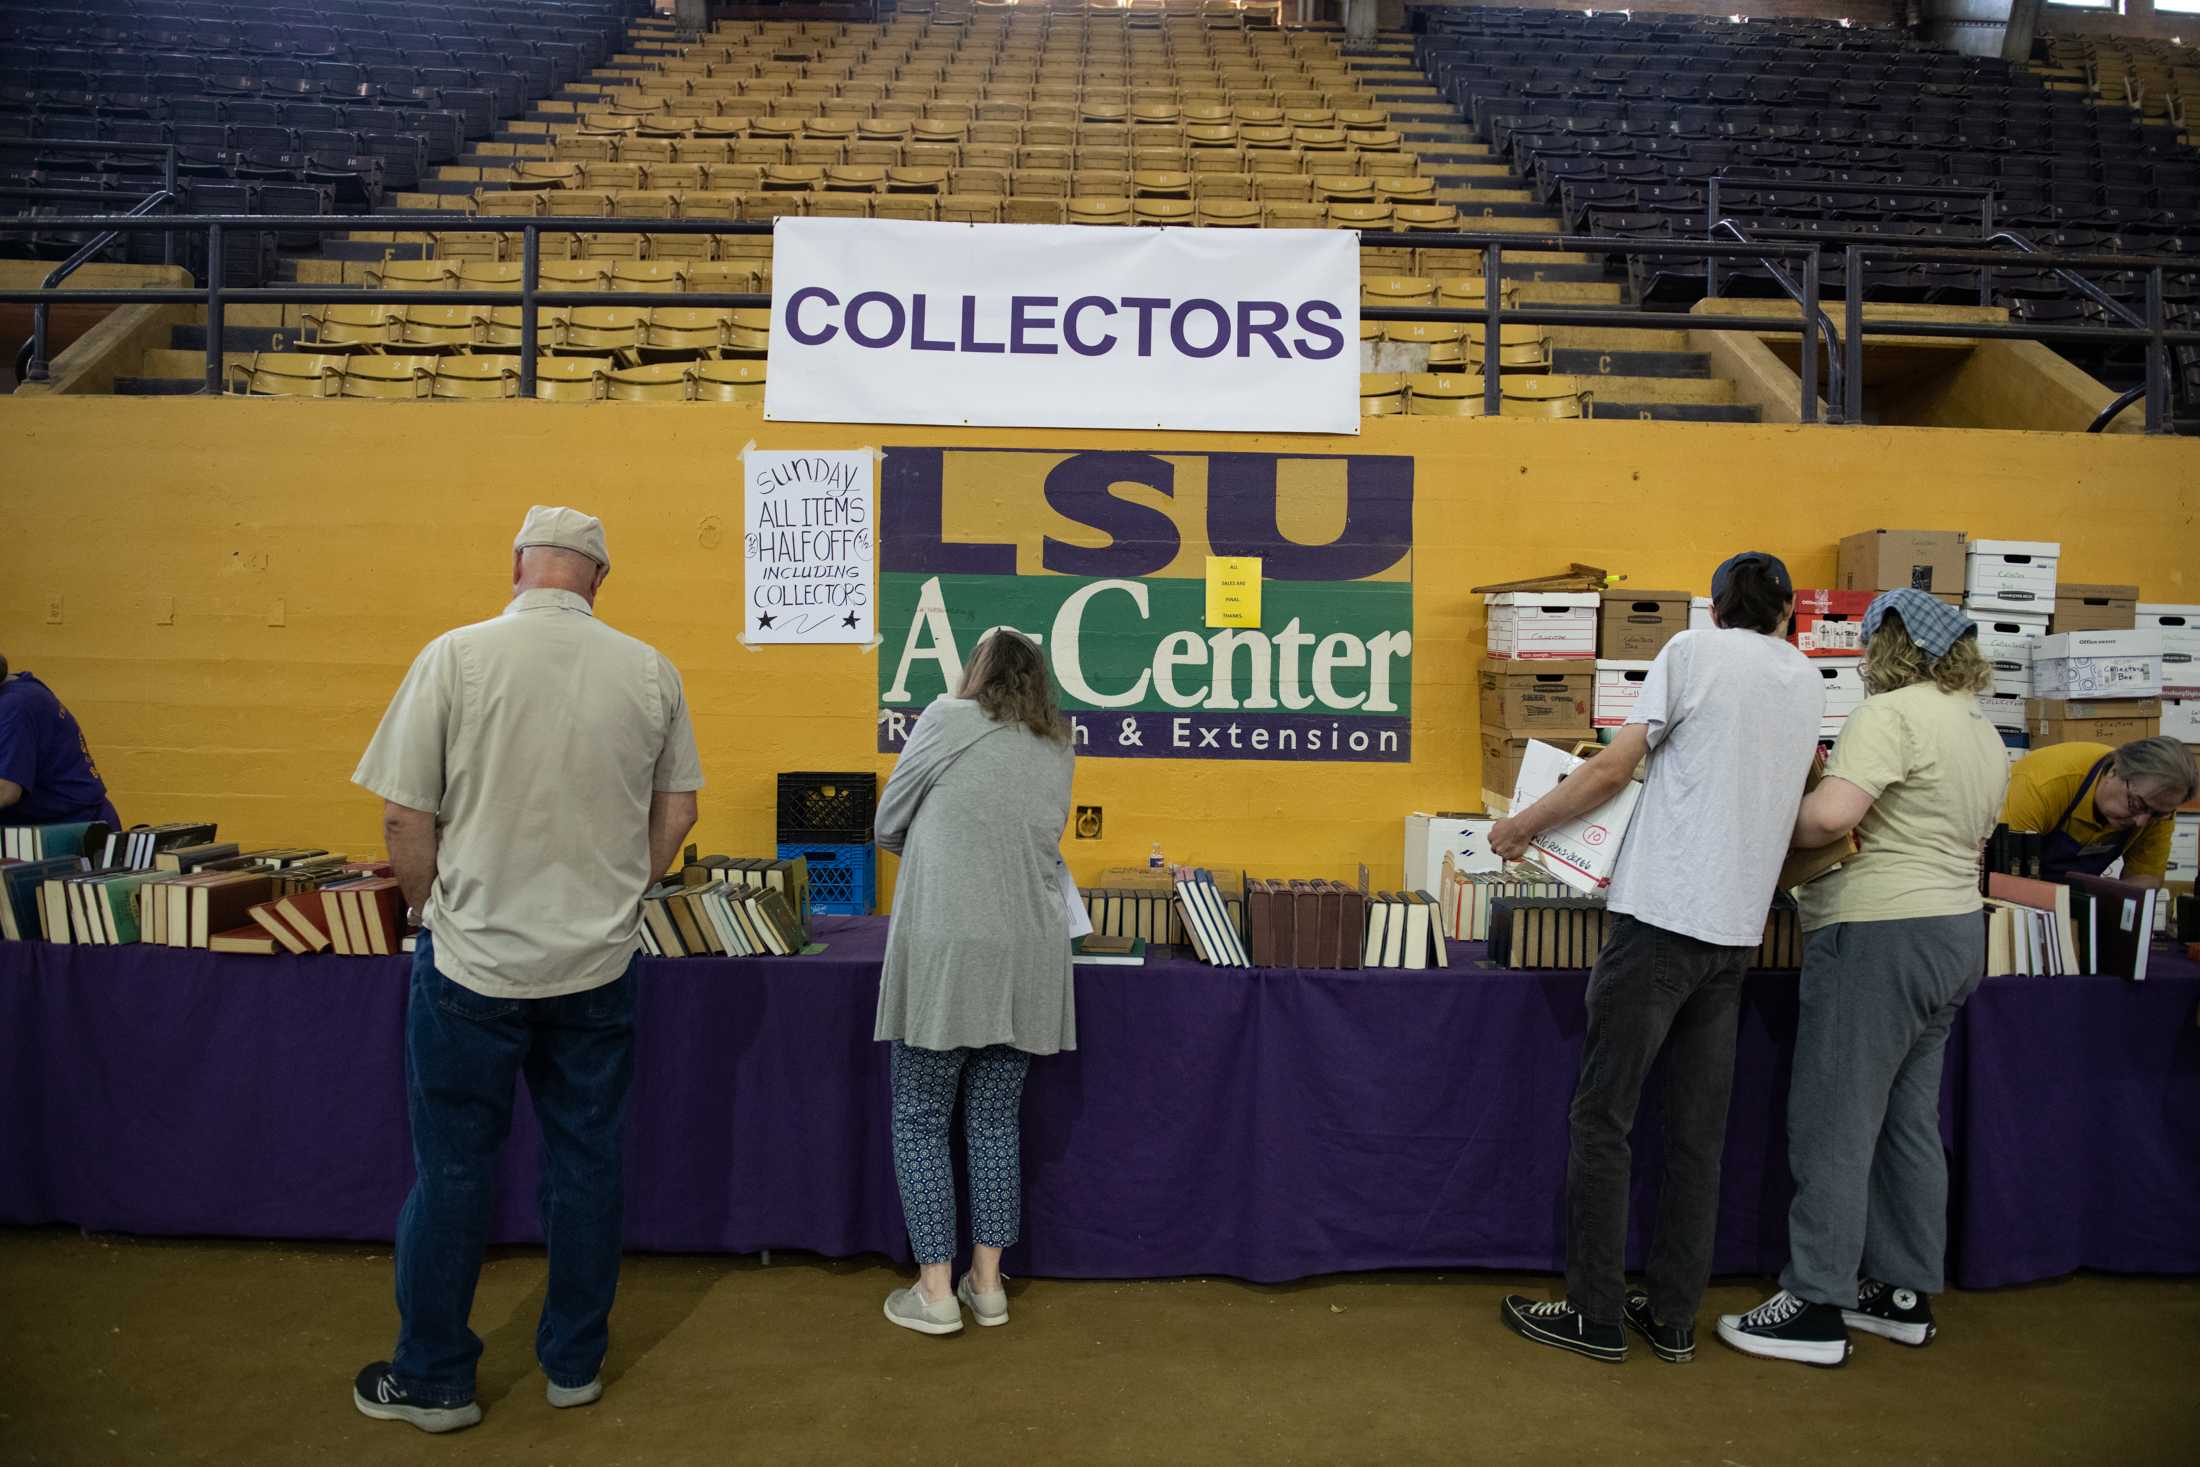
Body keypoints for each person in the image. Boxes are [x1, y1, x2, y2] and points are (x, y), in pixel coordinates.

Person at [348, 506, 702, 1433]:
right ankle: (574, 1363)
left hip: (474, 961)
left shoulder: (454, 657)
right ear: (597, 581)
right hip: (595, 962)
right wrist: (627, 889)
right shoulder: (650, 670)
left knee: (455, 1169)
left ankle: (434, 1381)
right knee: (587, 1163)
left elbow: (402, 817)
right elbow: (680, 811)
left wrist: (427, 908)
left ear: (516, 566)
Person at [1489, 552, 1823, 1366]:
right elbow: (1805, 791)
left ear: (1714, 608)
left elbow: (1611, 767)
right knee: (1697, 1134)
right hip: (1736, 930)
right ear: (1788, 614)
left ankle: (1595, 1312)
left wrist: (1521, 823)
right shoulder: (1807, 680)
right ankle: (1673, 1314)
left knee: (1604, 1118)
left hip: (1661, 918)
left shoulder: (1690, 654)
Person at [1718, 591, 2008, 1368]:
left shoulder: (1892, 714)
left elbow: (1826, 820)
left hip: (1878, 929)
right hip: (1956, 930)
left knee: (1833, 1118)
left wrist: (1751, 804)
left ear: (1891, 643)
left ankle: (1814, 1301)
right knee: (1909, 1118)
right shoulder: (1981, 727)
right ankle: (1901, 1290)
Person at [873, 629, 1077, 1336]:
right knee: (994, 1120)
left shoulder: (945, 717)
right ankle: (987, 1285)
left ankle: (934, 1292)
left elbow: (886, 822)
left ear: (979, 672)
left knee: (921, 1117)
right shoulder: (1059, 741)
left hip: (947, 948)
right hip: (1028, 951)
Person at [2000, 735, 2194, 887]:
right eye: (2135, 805)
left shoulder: (2158, 805)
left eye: (2156, 814)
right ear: (2115, 771)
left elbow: (2146, 878)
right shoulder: (2041, 783)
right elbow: (2003, 876)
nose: (2141, 822)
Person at [0, 654, 120, 828]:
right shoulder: (20, 691)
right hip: (55, 822)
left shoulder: (15, 706)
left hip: (72, 829)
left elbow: (5, 791)